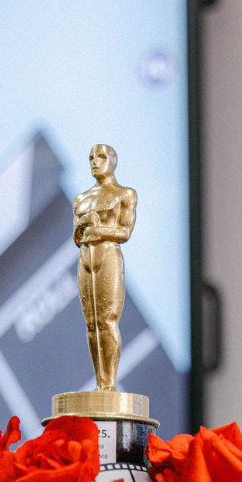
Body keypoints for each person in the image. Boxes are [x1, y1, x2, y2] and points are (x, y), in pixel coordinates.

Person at [73, 144, 136, 391]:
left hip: (108, 255)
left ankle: (109, 384)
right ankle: (99, 382)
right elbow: (77, 237)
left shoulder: (124, 194)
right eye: (91, 157)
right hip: (86, 258)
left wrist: (97, 228)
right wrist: (84, 224)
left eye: (101, 156)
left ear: (113, 161)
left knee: (107, 321)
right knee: (91, 323)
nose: (95, 161)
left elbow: (125, 231)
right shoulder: (81, 199)